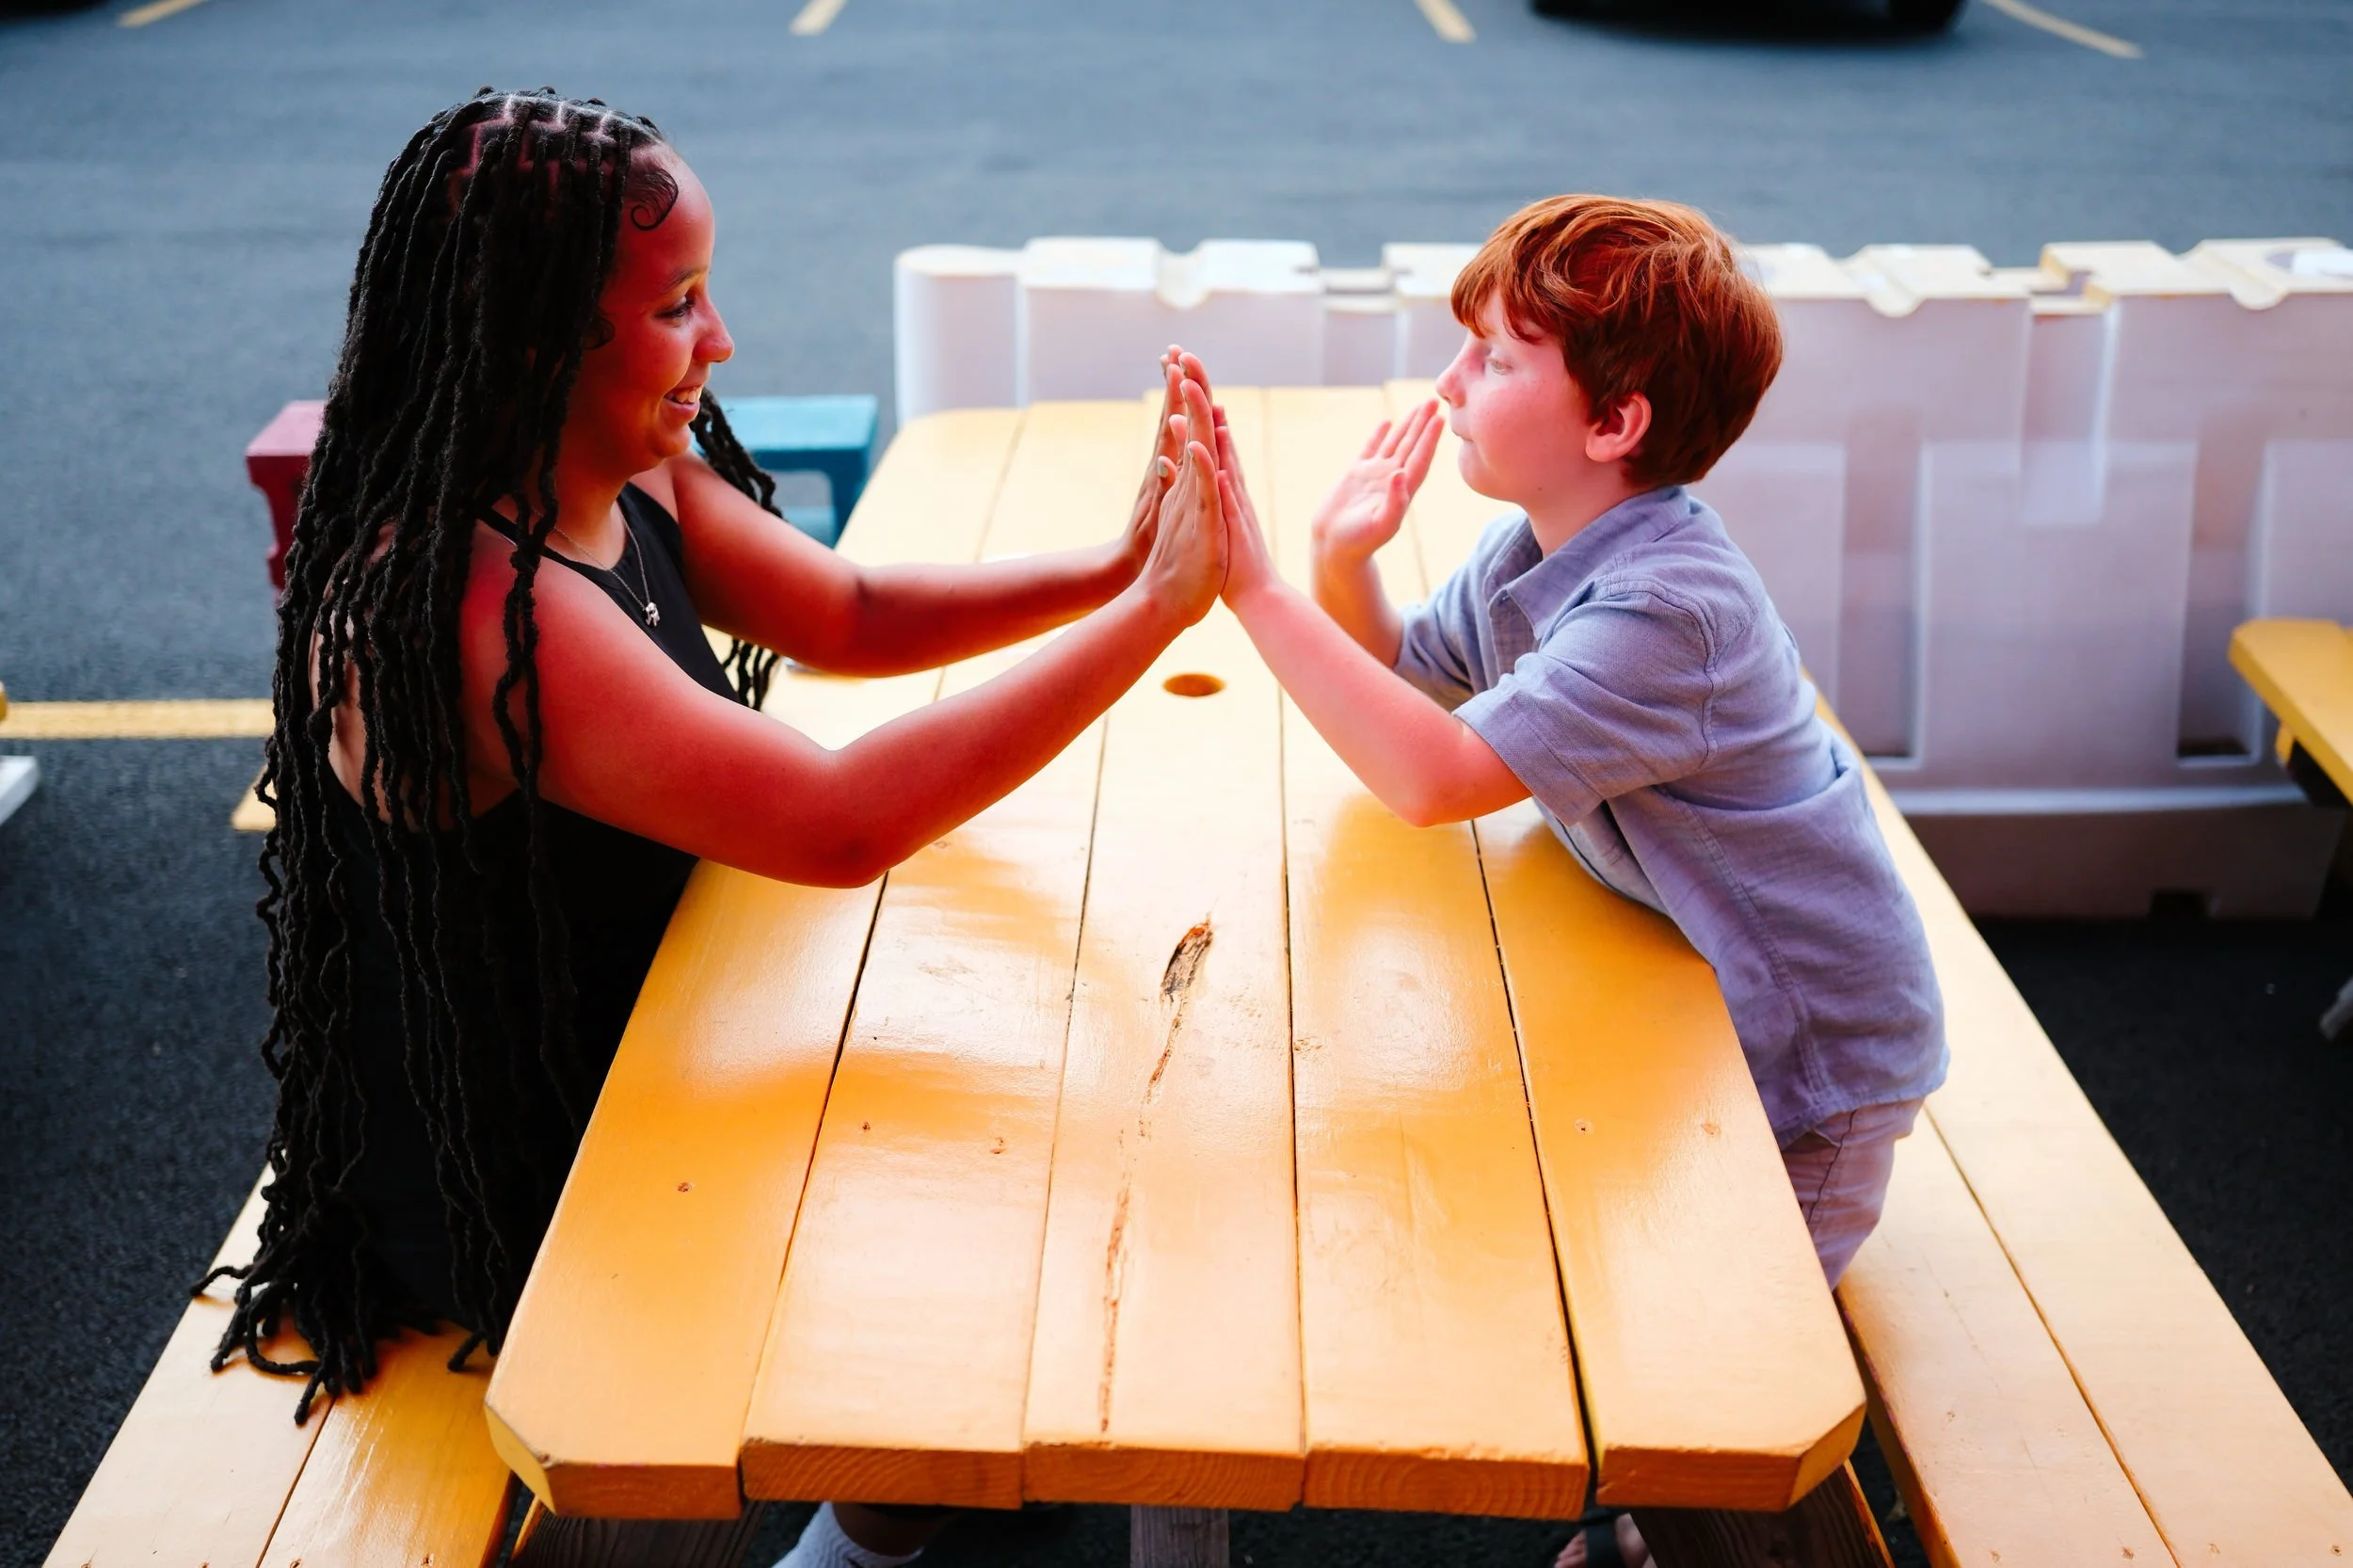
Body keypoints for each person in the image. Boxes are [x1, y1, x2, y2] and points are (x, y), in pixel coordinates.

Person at [207, 87, 1225, 1565]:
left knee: (1013, 1160)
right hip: (526, 1193)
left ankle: (890, 1501)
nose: (722, 339)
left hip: (646, 1062)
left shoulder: (629, 473)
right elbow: (833, 819)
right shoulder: (476, 613)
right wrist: (1148, 621)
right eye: (679, 304)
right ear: (539, 337)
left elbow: (850, 610)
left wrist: (1112, 563)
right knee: (986, 1216)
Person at [1208, 195, 1947, 1568]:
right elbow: (1415, 693)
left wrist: (1253, 589)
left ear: (1614, 426)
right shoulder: (1548, 545)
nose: (1450, 384)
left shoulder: (1666, 610)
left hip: (1812, 1071)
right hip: (1702, 1016)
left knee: (1706, 1392)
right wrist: (1337, 563)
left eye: (1493, 359)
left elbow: (1428, 780)